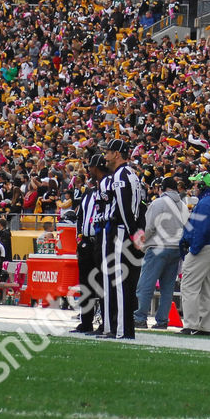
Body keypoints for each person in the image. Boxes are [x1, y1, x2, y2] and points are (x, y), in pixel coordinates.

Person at [99, 139, 145, 339]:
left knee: (117, 281)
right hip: (127, 231)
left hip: (120, 231)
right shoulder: (131, 174)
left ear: (117, 154)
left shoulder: (120, 176)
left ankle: (121, 329)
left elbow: (126, 210)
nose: (105, 156)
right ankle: (119, 327)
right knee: (120, 281)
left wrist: (133, 233)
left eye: (108, 152)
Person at [134, 177, 186, 331]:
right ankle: (162, 320)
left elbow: (150, 227)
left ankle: (140, 317)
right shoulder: (182, 205)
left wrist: (141, 242)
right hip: (176, 248)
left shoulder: (158, 203)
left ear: (162, 188)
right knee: (167, 287)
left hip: (158, 247)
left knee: (146, 285)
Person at [179, 172, 210, 335]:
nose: (194, 187)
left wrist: (193, 248)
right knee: (205, 288)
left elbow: (201, 229)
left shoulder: (205, 203)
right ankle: (205, 326)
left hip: (203, 249)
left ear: (203, 185)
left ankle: (191, 324)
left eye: (196, 184)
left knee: (189, 285)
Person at [71, 155, 106, 332]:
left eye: (90, 167)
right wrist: (79, 237)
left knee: (101, 283)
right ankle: (86, 322)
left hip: (100, 242)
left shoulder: (108, 191)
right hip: (86, 242)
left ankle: (105, 322)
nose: (88, 170)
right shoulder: (88, 192)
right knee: (85, 284)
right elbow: (80, 217)